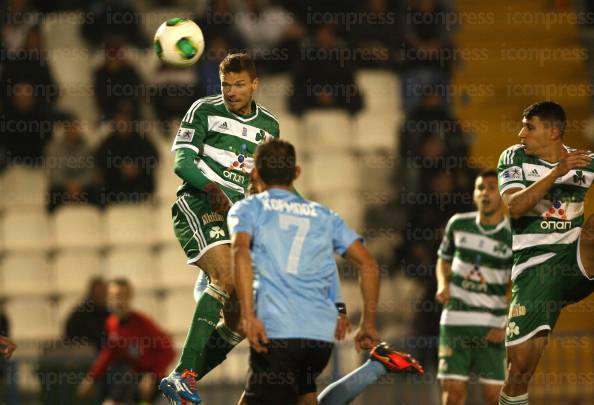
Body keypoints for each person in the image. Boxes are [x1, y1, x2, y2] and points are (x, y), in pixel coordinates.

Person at [229, 139, 422, 405]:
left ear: (255, 173)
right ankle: (374, 367)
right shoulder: (323, 216)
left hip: (279, 332)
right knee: (307, 400)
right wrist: (366, 323)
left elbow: (239, 254)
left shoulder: (249, 208)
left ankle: (375, 367)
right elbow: (368, 265)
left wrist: (249, 316)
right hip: (318, 337)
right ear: (296, 172)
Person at [158, 53, 281, 403]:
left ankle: (183, 379)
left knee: (241, 321)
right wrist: (214, 190)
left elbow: (269, 180)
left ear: (254, 85)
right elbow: (182, 162)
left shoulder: (269, 127)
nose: (231, 91)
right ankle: (182, 375)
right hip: (199, 205)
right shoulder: (203, 110)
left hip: (237, 219)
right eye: (226, 84)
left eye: (239, 84)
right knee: (226, 279)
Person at [496, 101, 594, 405]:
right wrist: (558, 172)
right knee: (519, 372)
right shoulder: (514, 157)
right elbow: (515, 207)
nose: (521, 132)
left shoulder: (586, 161)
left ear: (553, 132)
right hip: (535, 266)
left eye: (529, 126)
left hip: (574, 259)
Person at [435, 170, 512, 405]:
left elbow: (518, 285)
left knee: (494, 398)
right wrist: (442, 284)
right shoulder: (458, 224)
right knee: (453, 393)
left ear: (503, 194)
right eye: (480, 187)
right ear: (473, 194)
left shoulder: (513, 235)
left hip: (492, 327)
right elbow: (443, 259)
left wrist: (507, 324)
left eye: (491, 187)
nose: (485, 193)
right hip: (455, 322)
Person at [78, 279, 175, 405]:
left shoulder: (143, 323)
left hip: (150, 377)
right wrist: (91, 377)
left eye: (122, 296)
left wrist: (153, 375)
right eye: (113, 297)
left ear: (129, 297)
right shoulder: (111, 323)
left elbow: (169, 351)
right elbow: (109, 352)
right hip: (130, 377)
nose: (118, 301)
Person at [64, 277, 109, 351]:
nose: (101, 296)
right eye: (98, 293)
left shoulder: (111, 314)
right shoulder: (80, 314)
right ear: (91, 293)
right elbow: (70, 337)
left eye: (103, 293)